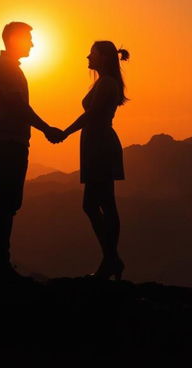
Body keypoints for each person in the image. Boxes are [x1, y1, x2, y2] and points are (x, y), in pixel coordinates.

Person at [0, 21, 64, 283]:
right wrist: (46, 128)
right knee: (5, 204)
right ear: (15, 40)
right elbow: (18, 106)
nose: (32, 44)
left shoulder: (6, 67)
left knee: (4, 203)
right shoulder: (7, 69)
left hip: (6, 141)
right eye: (28, 38)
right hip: (8, 142)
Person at [60, 41, 129, 280]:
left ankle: (111, 260)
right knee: (100, 204)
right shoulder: (103, 82)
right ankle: (111, 260)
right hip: (95, 145)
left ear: (103, 57)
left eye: (92, 53)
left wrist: (64, 132)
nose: (87, 56)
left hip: (100, 146)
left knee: (99, 204)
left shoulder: (107, 83)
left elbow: (91, 115)